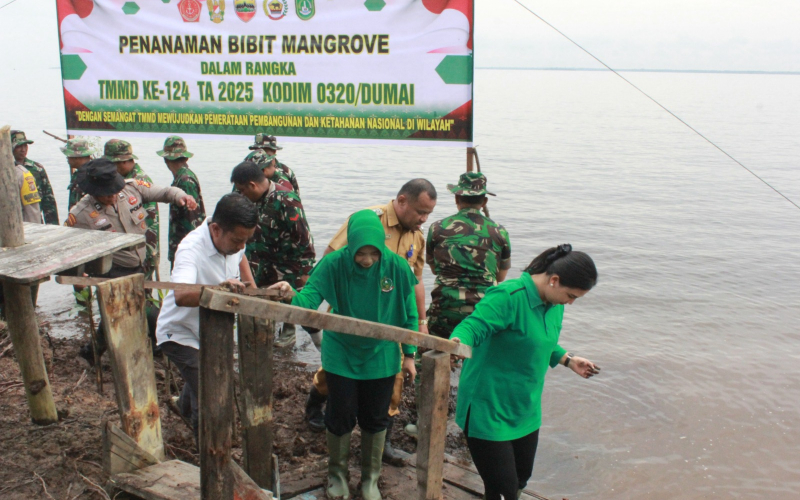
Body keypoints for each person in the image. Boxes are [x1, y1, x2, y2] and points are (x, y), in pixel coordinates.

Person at [269, 210, 418, 500]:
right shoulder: (333, 264)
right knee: (340, 414)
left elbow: (409, 314)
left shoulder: (397, 268)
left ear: (381, 247)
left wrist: (410, 355)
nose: (366, 260)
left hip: (382, 354)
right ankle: (337, 475)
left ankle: (370, 479)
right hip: (341, 353)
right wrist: (289, 293)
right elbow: (309, 300)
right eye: (360, 253)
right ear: (349, 245)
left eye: (372, 253)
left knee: (376, 417)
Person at [449, 244, 601, 500]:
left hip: (526, 408)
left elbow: (539, 340)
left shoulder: (555, 303)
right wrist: (456, 344)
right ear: (554, 280)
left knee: (520, 479)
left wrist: (567, 359)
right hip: (488, 408)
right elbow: (473, 326)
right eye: (571, 295)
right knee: (503, 488)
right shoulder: (508, 296)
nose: (571, 302)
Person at [305, 179, 436, 465]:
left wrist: (422, 321)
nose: (423, 219)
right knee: (334, 377)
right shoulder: (368, 220)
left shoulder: (417, 236)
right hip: (350, 313)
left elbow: (415, 282)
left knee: (391, 384)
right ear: (402, 201)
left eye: (429, 214)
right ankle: (315, 404)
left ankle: (381, 445)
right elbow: (332, 259)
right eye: (419, 212)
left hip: (389, 320)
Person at [66, 159, 197, 363]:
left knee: (116, 312)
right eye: (106, 193)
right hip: (112, 271)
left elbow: (163, 192)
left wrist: (181, 196)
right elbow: (69, 248)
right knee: (146, 311)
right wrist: (77, 274)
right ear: (93, 191)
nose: (112, 196)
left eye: (114, 191)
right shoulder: (80, 214)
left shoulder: (131, 189)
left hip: (140, 264)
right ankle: (162, 345)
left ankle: (92, 351)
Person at [156, 193, 258, 442]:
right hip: (179, 332)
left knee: (202, 376)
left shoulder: (235, 244)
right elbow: (181, 295)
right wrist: (219, 289)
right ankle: (207, 449)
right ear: (215, 229)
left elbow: (242, 263)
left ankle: (182, 406)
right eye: (237, 240)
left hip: (211, 331)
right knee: (210, 388)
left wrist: (257, 294)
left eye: (247, 240)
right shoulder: (191, 248)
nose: (242, 246)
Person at [231, 161, 315, 347]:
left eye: (243, 190)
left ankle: (302, 339)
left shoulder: (286, 200)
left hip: (286, 265)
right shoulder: (249, 201)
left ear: (253, 185)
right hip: (260, 264)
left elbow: (304, 240)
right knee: (259, 306)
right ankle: (262, 343)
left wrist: (305, 274)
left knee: (296, 310)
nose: (241, 195)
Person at [426, 172, 511, 340]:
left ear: (456, 198)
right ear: (484, 201)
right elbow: (500, 276)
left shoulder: (437, 228)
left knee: (433, 355)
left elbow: (435, 270)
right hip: (482, 312)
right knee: (477, 358)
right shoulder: (499, 231)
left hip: (444, 308)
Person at [104, 139, 160, 280]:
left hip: (143, 253)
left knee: (143, 295)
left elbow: (150, 223)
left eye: (112, 164)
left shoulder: (139, 182)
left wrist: (147, 256)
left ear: (122, 162)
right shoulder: (120, 180)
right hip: (127, 254)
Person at [0, 159, 43, 318]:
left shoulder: (21, 175)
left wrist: (30, 248)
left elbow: (33, 214)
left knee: (22, 295)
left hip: (18, 243)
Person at [156, 136, 206, 269]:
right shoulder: (184, 177)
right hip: (186, 248)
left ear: (166, 160)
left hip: (186, 250)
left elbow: (192, 219)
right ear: (186, 158)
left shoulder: (184, 181)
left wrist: (188, 251)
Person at [10, 130, 58, 225]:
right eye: (19, 146)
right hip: (11, 222)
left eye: (25, 146)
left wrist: (53, 227)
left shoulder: (37, 169)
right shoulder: (5, 170)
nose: (23, 150)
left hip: (34, 220)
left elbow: (48, 201)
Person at [62, 138, 94, 210]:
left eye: (69, 156)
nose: (67, 158)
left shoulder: (91, 175)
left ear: (76, 157)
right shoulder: (78, 173)